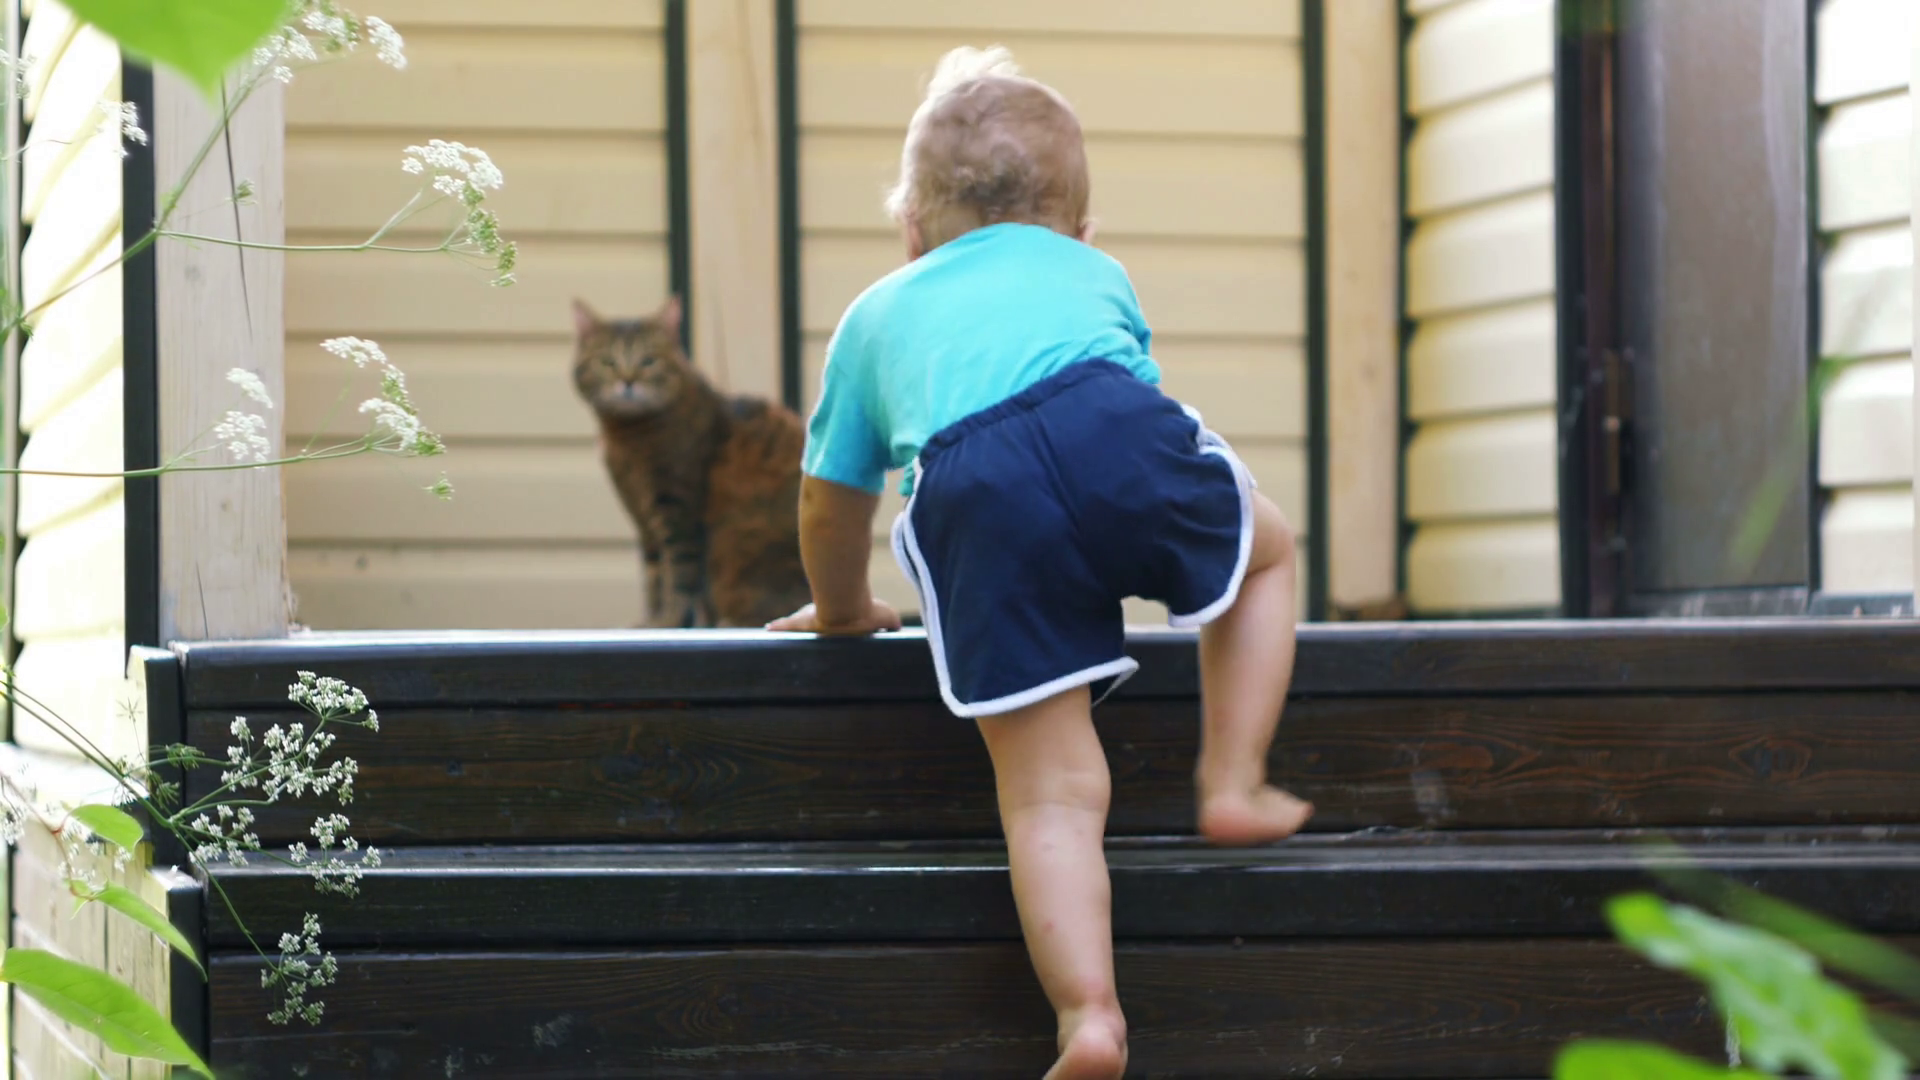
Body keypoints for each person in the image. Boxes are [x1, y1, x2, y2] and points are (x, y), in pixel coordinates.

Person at [768, 45, 1312, 1080]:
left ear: (912, 230)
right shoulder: (1097, 272)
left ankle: (1090, 1016)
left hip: (976, 492)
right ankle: (1234, 777)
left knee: (1052, 794)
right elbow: (1114, 417)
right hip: (1119, 431)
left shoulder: (879, 312)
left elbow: (829, 503)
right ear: (1079, 228)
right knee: (1266, 554)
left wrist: (842, 609)